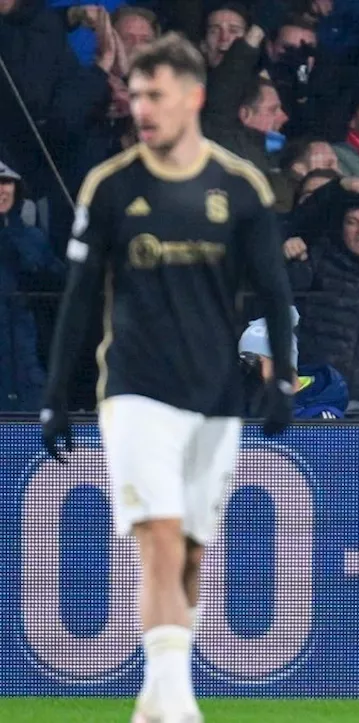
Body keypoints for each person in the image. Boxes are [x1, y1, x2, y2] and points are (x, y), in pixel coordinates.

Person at [37, 33, 296, 723]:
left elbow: (272, 292)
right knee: (159, 531)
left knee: (189, 549)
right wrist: (56, 396)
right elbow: (80, 297)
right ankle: (179, 702)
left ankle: (156, 699)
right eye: (137, 92)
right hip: (134, 390)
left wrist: (281, 378)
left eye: (157, 94)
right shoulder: (112, 185)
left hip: (214, 395)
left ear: (193, 98)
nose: (143, 106)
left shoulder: (239, 188)